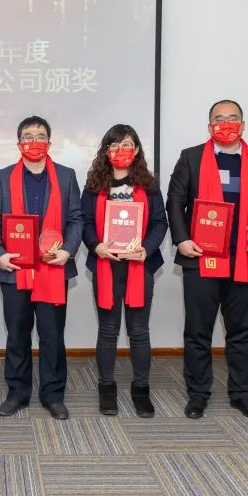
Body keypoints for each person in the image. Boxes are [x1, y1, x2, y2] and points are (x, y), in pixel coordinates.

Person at [167, 99, 248, 420]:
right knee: (198, 331)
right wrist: (182, 239)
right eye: (219, 118)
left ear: (243, 125)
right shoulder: (191, 157)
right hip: (201, 256)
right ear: (209, 125)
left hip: (243, 258)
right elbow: (175, 201)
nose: (226, 123)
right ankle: (198, 394)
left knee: (242, 330)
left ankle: (241, 393)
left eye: (233, 118)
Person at [0, 116, 83, 419]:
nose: (34, 141)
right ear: (19, 143)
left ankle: (53, 395)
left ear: (49, 143)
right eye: (28, 136)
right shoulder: (3, 177)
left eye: (40, 136)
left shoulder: (66, 176)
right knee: (17, 333)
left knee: (52, 335)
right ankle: (17, 393)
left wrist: (68, 250)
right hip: (15, 268)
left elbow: (76, 218)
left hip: (53, 268)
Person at [81, 124, 168, 418]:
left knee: (139, 332)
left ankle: (141, 389)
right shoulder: (94, 185)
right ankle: (106, 388)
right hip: (106, 266)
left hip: (139, 267)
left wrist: (147, 249)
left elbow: (160, 223)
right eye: (115, 145)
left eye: (127, 144)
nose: (121, 150)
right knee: (108, 331)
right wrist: (96, 246)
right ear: (106, 151)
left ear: (137, 149)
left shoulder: (149, 185)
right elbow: (85, 222)